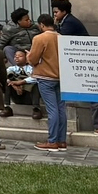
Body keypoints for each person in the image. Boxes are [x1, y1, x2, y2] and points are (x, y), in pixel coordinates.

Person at [28, 13, 67, 150]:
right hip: (61, 77)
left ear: (42, 25)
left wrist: (28, 56)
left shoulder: (39, 38)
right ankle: (62, 141)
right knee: (61, 108)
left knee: (52, 110)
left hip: (46, 77)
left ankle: (52, 141)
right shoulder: (61, 37)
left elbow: (32, 59)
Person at [2, 48, 42, 119]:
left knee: (36, 84)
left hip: (29, 95)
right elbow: (3, 76)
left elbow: (36, 77)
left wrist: (20, 82)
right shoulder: (11, 68)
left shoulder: (32, 68)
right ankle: (7, 107)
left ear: (27, 58)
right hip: (16, 95)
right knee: (7, 82)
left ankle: (36, 109)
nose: (17, 57)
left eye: (20, 56)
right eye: (15, 56)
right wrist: (14, 84)